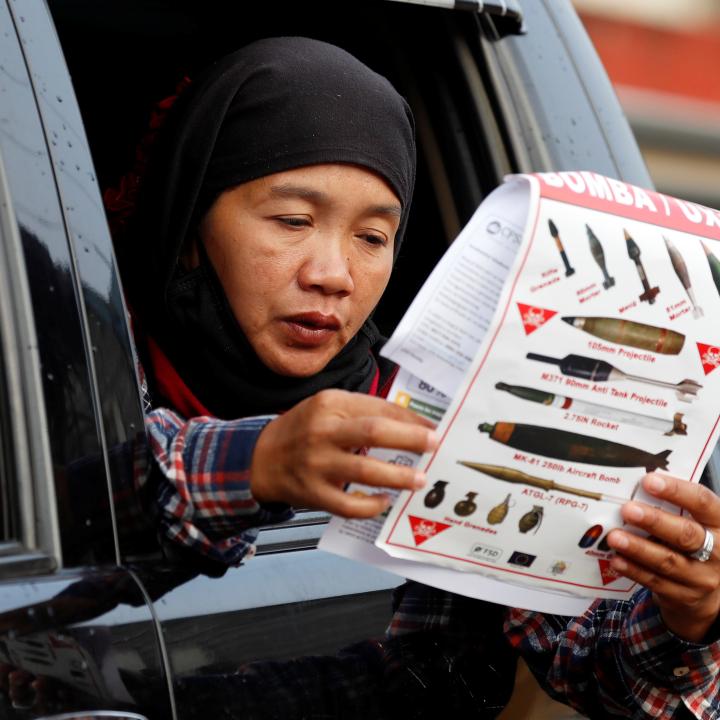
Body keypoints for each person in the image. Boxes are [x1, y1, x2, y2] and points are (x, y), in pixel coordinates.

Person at [106, 36, 720, 719]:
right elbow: (78, 494)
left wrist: (687, 615)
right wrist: (259, 461)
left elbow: (604, 671)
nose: (332, 275)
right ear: (190, 219)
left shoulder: (432, 417)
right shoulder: (78, 352)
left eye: (372, 238)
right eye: (292, 221)